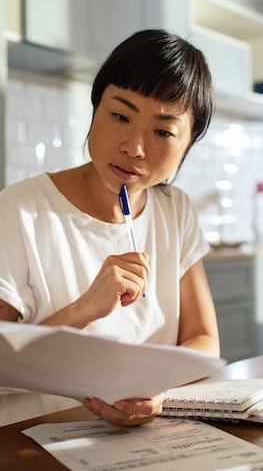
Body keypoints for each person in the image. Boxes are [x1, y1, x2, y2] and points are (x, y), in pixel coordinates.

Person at [0, 29, 220, 427]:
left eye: (163, 132)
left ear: (188, 144)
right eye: (120, 116)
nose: (134, 146)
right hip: (37, 440)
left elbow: (204, 342)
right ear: (95, 107)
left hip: (149, 439)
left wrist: (158, 391)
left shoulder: (176, 210)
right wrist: (85, 309)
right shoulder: (19, 209)